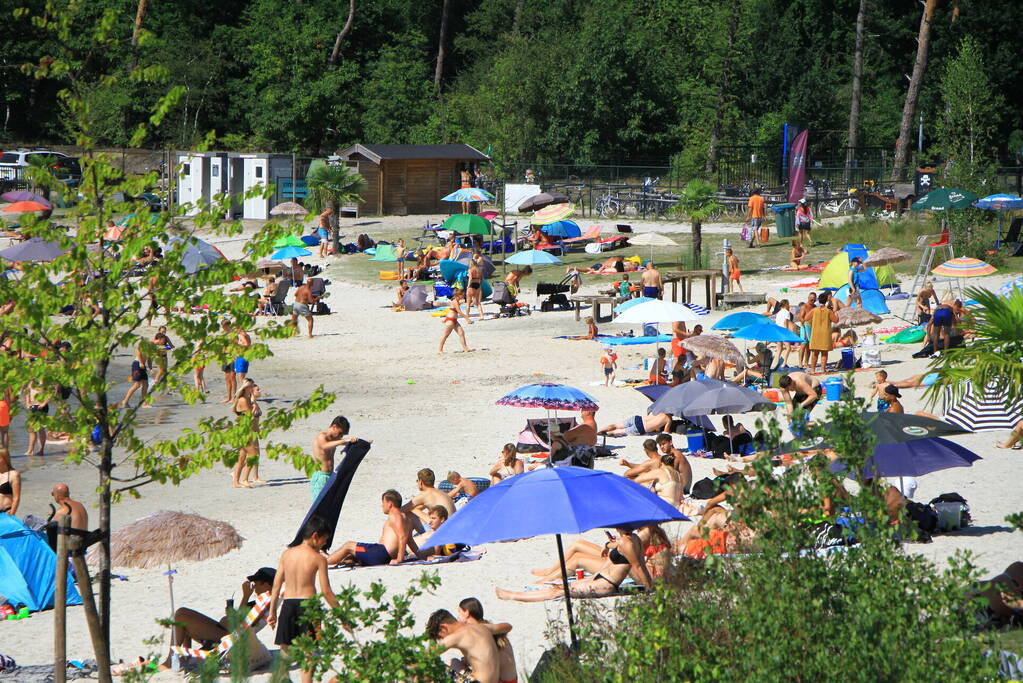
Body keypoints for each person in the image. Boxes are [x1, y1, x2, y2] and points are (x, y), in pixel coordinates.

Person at [268, 516, 340, 683]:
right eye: (324, 540)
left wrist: (272, 612)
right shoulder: (318, 559)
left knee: (285, 653)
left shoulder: (286, 554)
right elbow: (327, 592)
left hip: (288, 606)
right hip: (309, 607)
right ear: (315, 536)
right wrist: (341, 614)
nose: (324, 544)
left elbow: (276, 585)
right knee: (309, 656)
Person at [161, 567, 276, 669]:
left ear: (266, 585)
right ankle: (185, 658)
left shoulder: (265, 604)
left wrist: (245, 596)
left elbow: (240, 625)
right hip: (224, 632)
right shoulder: (262, 601)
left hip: (228, 638)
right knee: (183, 615)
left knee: (182, 615)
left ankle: (171, 660)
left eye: (256, 582)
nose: (253, 585)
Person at [497, 527, 652, 602]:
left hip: (606, 584)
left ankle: (513, 595)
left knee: (558, 592)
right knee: (559, 587)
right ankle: (518, 593)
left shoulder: (626, 543)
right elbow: (627, 554)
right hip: (600, 578)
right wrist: (608, 545)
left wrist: (648, 588)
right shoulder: (630, 539)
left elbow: (638, 566)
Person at [327, 490, 419, 566]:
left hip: (379, 553)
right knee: (353, 554)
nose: (382, 505)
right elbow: (410, 540)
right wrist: (422, 556)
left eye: (383, 502)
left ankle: (322, 563)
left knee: (348, 546)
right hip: (383, 556)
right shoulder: (406, 518)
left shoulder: (395, 516)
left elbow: (402, 537)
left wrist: (399, 559)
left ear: (390, 504)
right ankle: (347, 561)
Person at [426, 610, 513, 683]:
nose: (443, 639)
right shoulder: (481, 627)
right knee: (454, 662)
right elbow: (508, 626)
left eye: (441, 637)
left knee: (433, 668)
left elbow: (425, 656)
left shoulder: (456, 637)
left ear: (444, 627)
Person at [458, 598, 518, 683]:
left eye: (459, 612)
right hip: (512, 680)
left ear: (466, 613)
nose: (458, 616)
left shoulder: (478, 634)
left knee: (455, 663)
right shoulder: (490, 628)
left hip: (498, 680)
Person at [311, 416, 359, 501]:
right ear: (334, 427)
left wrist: (359, 443)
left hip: (330, 475)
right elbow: (324, 446)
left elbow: (344, 443)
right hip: (321, 476)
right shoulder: (322, 437)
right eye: (340, 433)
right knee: (318, 505)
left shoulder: (334, 438)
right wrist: (344, 441)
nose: (341, 436)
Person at [231, 379, 264, 488]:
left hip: (251, 430)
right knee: (253, 455)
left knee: (242, 457)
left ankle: (236, 481)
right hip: (245, 431)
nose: (252, 389)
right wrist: (254, 405)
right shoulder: (243, 400)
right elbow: (250, 416)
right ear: (245, 388)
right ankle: (244, 479)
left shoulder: (248, 399)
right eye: (250, 387)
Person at [808, 292, 838, 374]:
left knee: (814, 353)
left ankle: (813, 369)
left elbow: (807, 318)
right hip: (825, 332)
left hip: (815, 332)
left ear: (818, 300)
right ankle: (823, 369)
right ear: (826, 301)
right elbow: (836, 320)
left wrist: (813, 321)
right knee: (824, 353)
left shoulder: (814, 310)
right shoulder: (828, 311)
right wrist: (836, 313)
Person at [22, 383, 49, 455]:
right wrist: (27, 402)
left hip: (41, 407)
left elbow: (50, 392)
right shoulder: (31, 381)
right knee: (31, 429)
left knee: (40, 429)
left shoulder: (43, 380)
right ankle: (30, 450)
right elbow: (28, 391)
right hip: (32, 406)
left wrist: (44, 403)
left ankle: (41, 450)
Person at [598, 413, 673, 437]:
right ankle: (605, 434)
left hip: (637, 418)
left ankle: (599, 431)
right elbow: (665, 433)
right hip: (641, 428)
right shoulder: (668, 419)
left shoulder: (659, 410)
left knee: (616, 425)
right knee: (618, 432)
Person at [219, 319, 237, 404]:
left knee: (232, 377)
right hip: (225, 356)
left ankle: (234, 397)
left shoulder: (233, 334)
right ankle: (228, 396)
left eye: (224, 326)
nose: (223, 328)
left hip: (232, 356)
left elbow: (236, 345)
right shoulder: (223, 334)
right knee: (227, 377)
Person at [0, 449, 21, 515]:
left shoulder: (14, 475)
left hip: (6, 511)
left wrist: (12, 514)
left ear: (5, 459)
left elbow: (16, 498)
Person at [466, 254, 484, 319]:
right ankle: (481, 315)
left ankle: (467, 316)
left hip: (472, 285)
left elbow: (470, 278)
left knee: (468, 301)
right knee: (478, 302)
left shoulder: (470, 270)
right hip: (478, 285)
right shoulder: (479, 270)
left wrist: (468, 286)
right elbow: (481, 279)